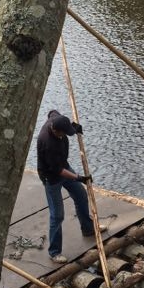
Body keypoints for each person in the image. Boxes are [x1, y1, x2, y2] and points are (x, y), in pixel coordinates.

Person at [36, 109, 94, 264]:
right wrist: (79, 177)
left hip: (64, 166)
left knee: (81, 195)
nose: (65, 135)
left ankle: (88, 228)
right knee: (57, 215)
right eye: (64, 133)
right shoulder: (48, 143)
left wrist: (74, 127)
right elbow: (59, 171)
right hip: (52, 176)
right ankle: (54, 252)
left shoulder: (56, 120)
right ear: (55, 131)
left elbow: (52, 112)